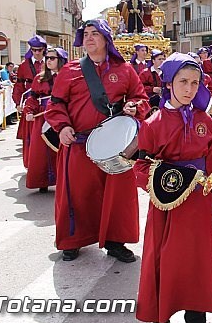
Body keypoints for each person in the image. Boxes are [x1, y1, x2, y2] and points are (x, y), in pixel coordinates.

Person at [134, 53, 212, 323]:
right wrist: (167, 181)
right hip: (167, 207)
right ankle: (163, 311)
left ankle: (196, 311)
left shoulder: (206, 121)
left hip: (200, 205)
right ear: (168, 83)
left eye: (195, 82)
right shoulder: (153, 124)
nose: (189, 89)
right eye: (183, 82)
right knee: (166, 259)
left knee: (197, 261)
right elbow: (141, 168)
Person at [45, 19, 150, 262]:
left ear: (106, 39)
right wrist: (62, 127)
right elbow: (55, 104)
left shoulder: (124, 70)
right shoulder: (70, 70)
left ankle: (116, 241)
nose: (89, 38)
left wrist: (134, 106)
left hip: (116, 147)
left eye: (95, 34)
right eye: (86, 34)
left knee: (118, 197)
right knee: (78, 195)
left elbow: (141, 98)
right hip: (79, 143)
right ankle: (73, 240)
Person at [22, 47, 68, 193]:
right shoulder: (39, 78)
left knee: (62, 148)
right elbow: (33, 98)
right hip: (42, 117)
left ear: (60, 60)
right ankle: (42, 181)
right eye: (47, 58)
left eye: (52, 58)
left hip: (63, 116)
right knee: (41, 151)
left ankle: (63, 180)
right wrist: (29, 111)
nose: (48, 60)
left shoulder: (68, 78)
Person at [14, 35, 47, 168]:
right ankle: (31, 164)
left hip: (47, 103)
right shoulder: (24, 65)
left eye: (39, 50)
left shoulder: (50, 62)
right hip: (30, 102)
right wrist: (18, 102)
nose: (37, 53)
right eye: (34, 50)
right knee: (30, 136)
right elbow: (19, 85)